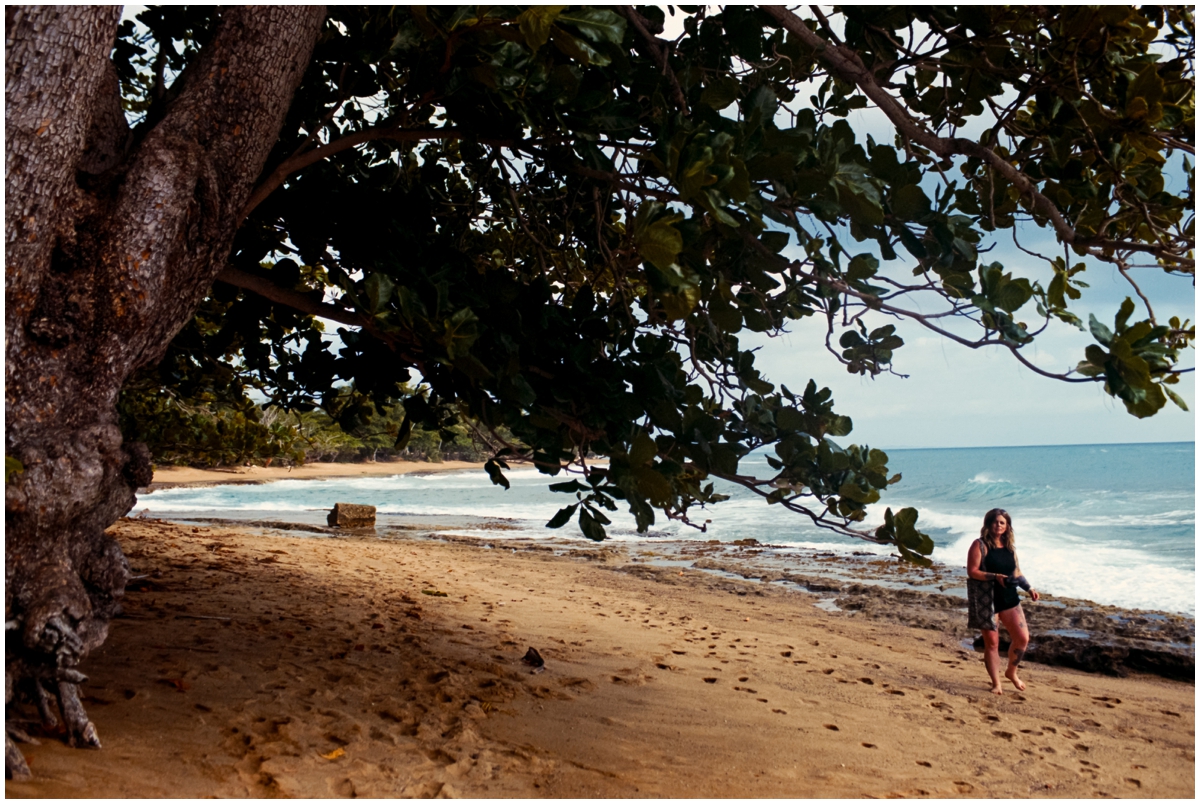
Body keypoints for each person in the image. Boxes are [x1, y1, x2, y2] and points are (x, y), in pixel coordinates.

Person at [966, 508, 1039, 695]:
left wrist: (1029, 588)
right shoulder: (979, 545)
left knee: (1023, 638)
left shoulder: (1009, 548)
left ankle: (1011, 672)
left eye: (1002, 522)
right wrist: (994, 576)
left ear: (1007, 527)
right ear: (988, 524)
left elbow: (1016, 572)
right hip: (987, 600)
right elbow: (972, 571)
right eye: (995, 522)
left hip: (1009, 598)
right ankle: (996, 683)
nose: (998, 525)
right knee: (992, 644)